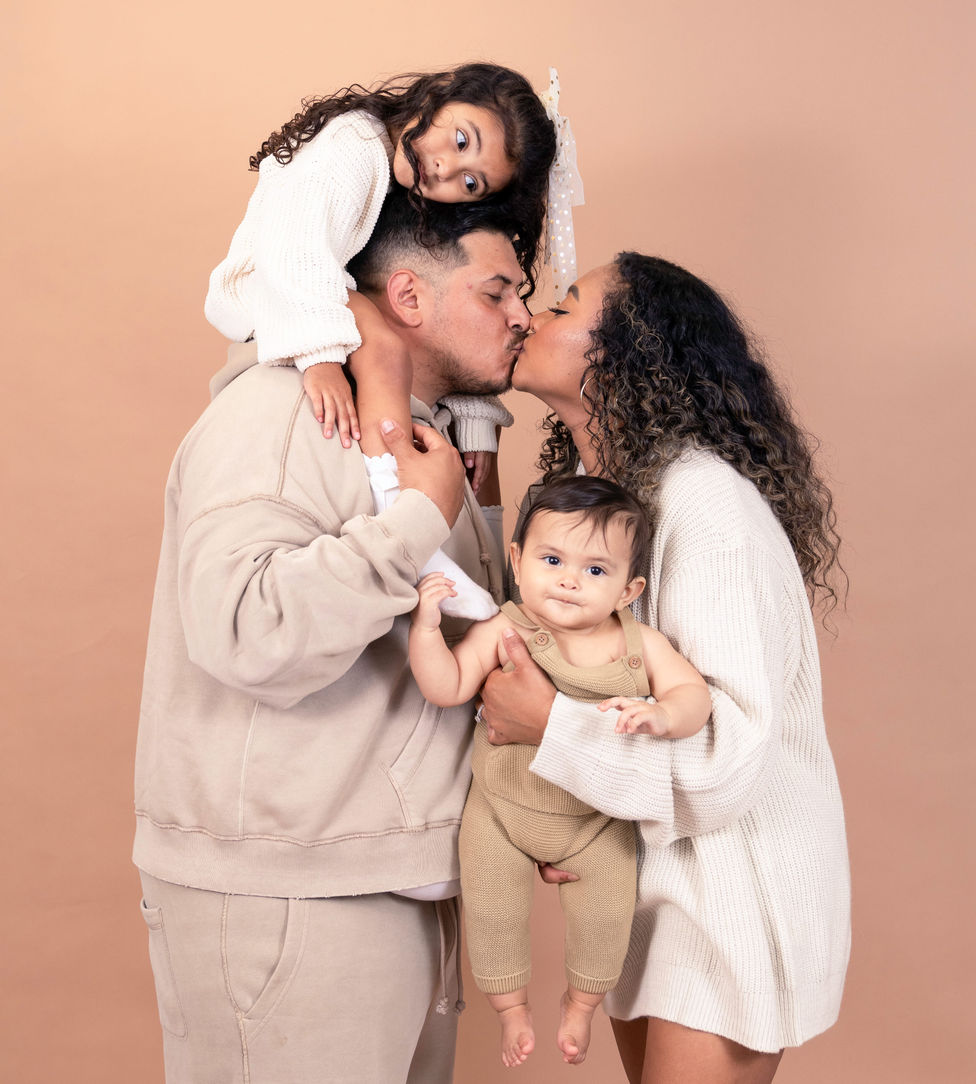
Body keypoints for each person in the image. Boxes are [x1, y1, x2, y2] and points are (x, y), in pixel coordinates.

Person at [133, 190, 532, 1084]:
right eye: (498, 291)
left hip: (383, 876)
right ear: (408, 295)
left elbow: (456, 631)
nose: (522, 315)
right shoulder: (280, 415)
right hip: (289, 888)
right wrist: (418, 521)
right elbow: (244, 627)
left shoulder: (409, 440)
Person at [480, 254, 851, 1084]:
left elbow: (729, 764)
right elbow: (597, 688)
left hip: (733, 895)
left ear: (626, 350)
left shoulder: (704, 505)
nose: (533, 314)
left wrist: (550, 730)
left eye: (566, 305)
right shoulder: (610, 502)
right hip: (656, 882)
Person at [204, 62, 557, 619]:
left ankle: (415, 534)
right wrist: (319, 359)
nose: (445, 166)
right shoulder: (351, 145)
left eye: (471, 181)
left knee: (390, 356)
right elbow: (295, 249)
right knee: (385, 355)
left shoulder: (398, 173)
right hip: (269, 292)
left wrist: (474, 418)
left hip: (318, 290)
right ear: (440, 94)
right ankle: (407, 522)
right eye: (460, 138)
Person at [409, 475, 711, 1068]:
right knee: (493, 907)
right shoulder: (504, 628)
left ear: (630, 590)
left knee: (607, 912)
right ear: (518, 562)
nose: (570, 580)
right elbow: (446, 686)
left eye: (596, 571)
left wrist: (662, 713)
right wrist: (425, 630)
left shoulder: (639, 643)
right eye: (552, 559)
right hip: (501, 810)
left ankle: (581, 1002)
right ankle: (511, 1009)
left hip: (595, 822)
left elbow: (692, 696)